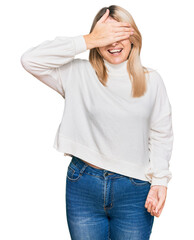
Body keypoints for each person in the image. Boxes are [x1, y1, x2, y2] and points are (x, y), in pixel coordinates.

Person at [20, 5, 174, 240]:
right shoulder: (77, 74)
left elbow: (161, 133)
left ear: (132, 37)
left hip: (135, 190)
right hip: (83, 186)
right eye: (106, 35)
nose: (113, 43)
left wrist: (160, 182)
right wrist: (88, 40)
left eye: (119, 34)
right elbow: (30, 60)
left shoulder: (152, 81)